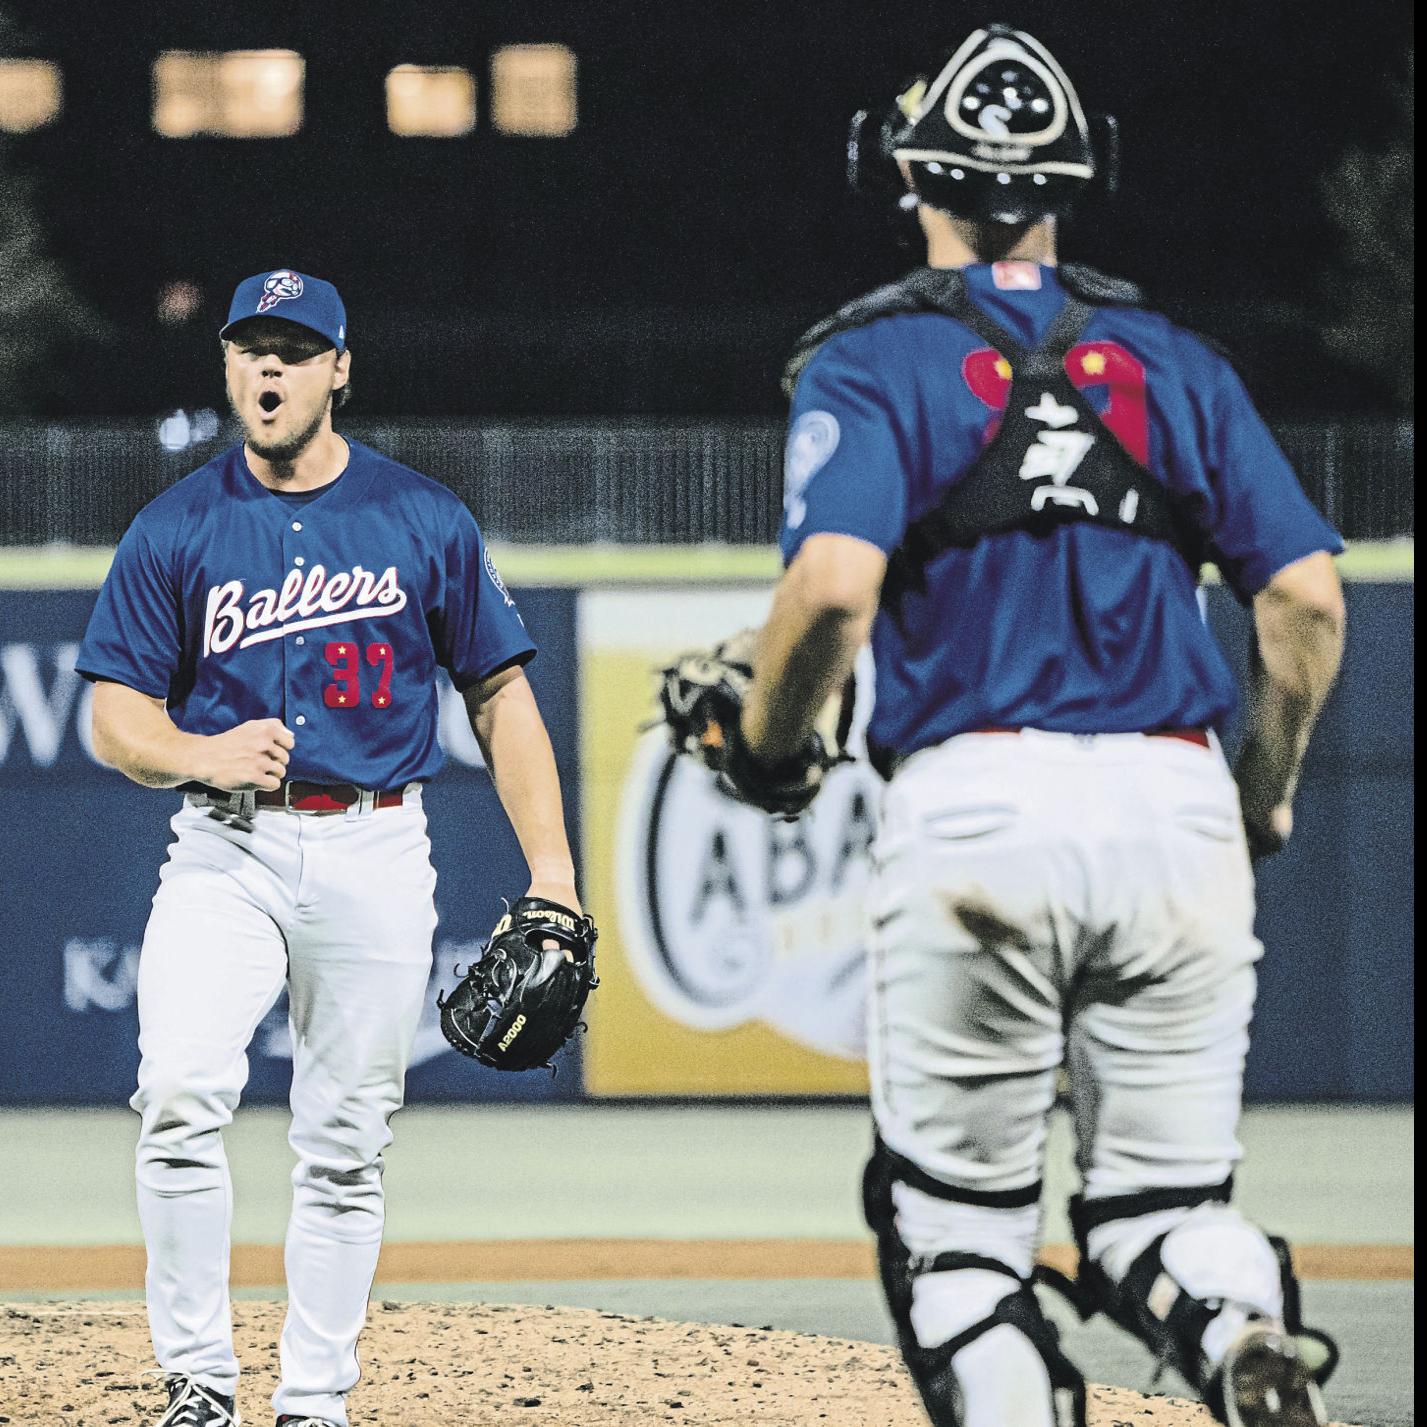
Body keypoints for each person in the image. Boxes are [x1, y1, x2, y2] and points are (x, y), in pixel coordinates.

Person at [733, 25, 1346, 1427]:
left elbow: (831, 589)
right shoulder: (1173, 358)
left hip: (977, 809)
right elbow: (1303, 602)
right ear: (1081, 171)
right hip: (1175, 806)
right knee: (1162, 1204)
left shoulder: (869, 357)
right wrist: (1257, 789)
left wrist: (768, 751)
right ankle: (1239, 1321)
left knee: (957, 1238)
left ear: (905, 173)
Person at [77, 269, 584, 1427]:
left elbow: (502, 698)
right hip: (224, 853)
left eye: (296, 350)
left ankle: (314, 1400)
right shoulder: (177, 526)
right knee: (180, 1093)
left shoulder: (423, 517)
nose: (270, 368)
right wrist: (199, 753)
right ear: (224, 364)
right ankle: (199, 1384)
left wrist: (551, 871)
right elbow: (114, 716)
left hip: (374, 848)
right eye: (252, 346)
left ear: (340, 370)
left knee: (347, 1141)